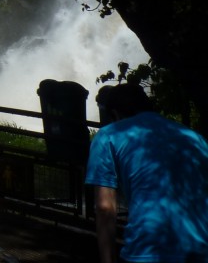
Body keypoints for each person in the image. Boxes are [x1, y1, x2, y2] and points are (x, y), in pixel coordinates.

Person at [85, 82, 208, 263]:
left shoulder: (108, 136)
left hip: (148, 249)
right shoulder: (194, 138)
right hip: (199, 249)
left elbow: (105, 208)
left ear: (115, 114)